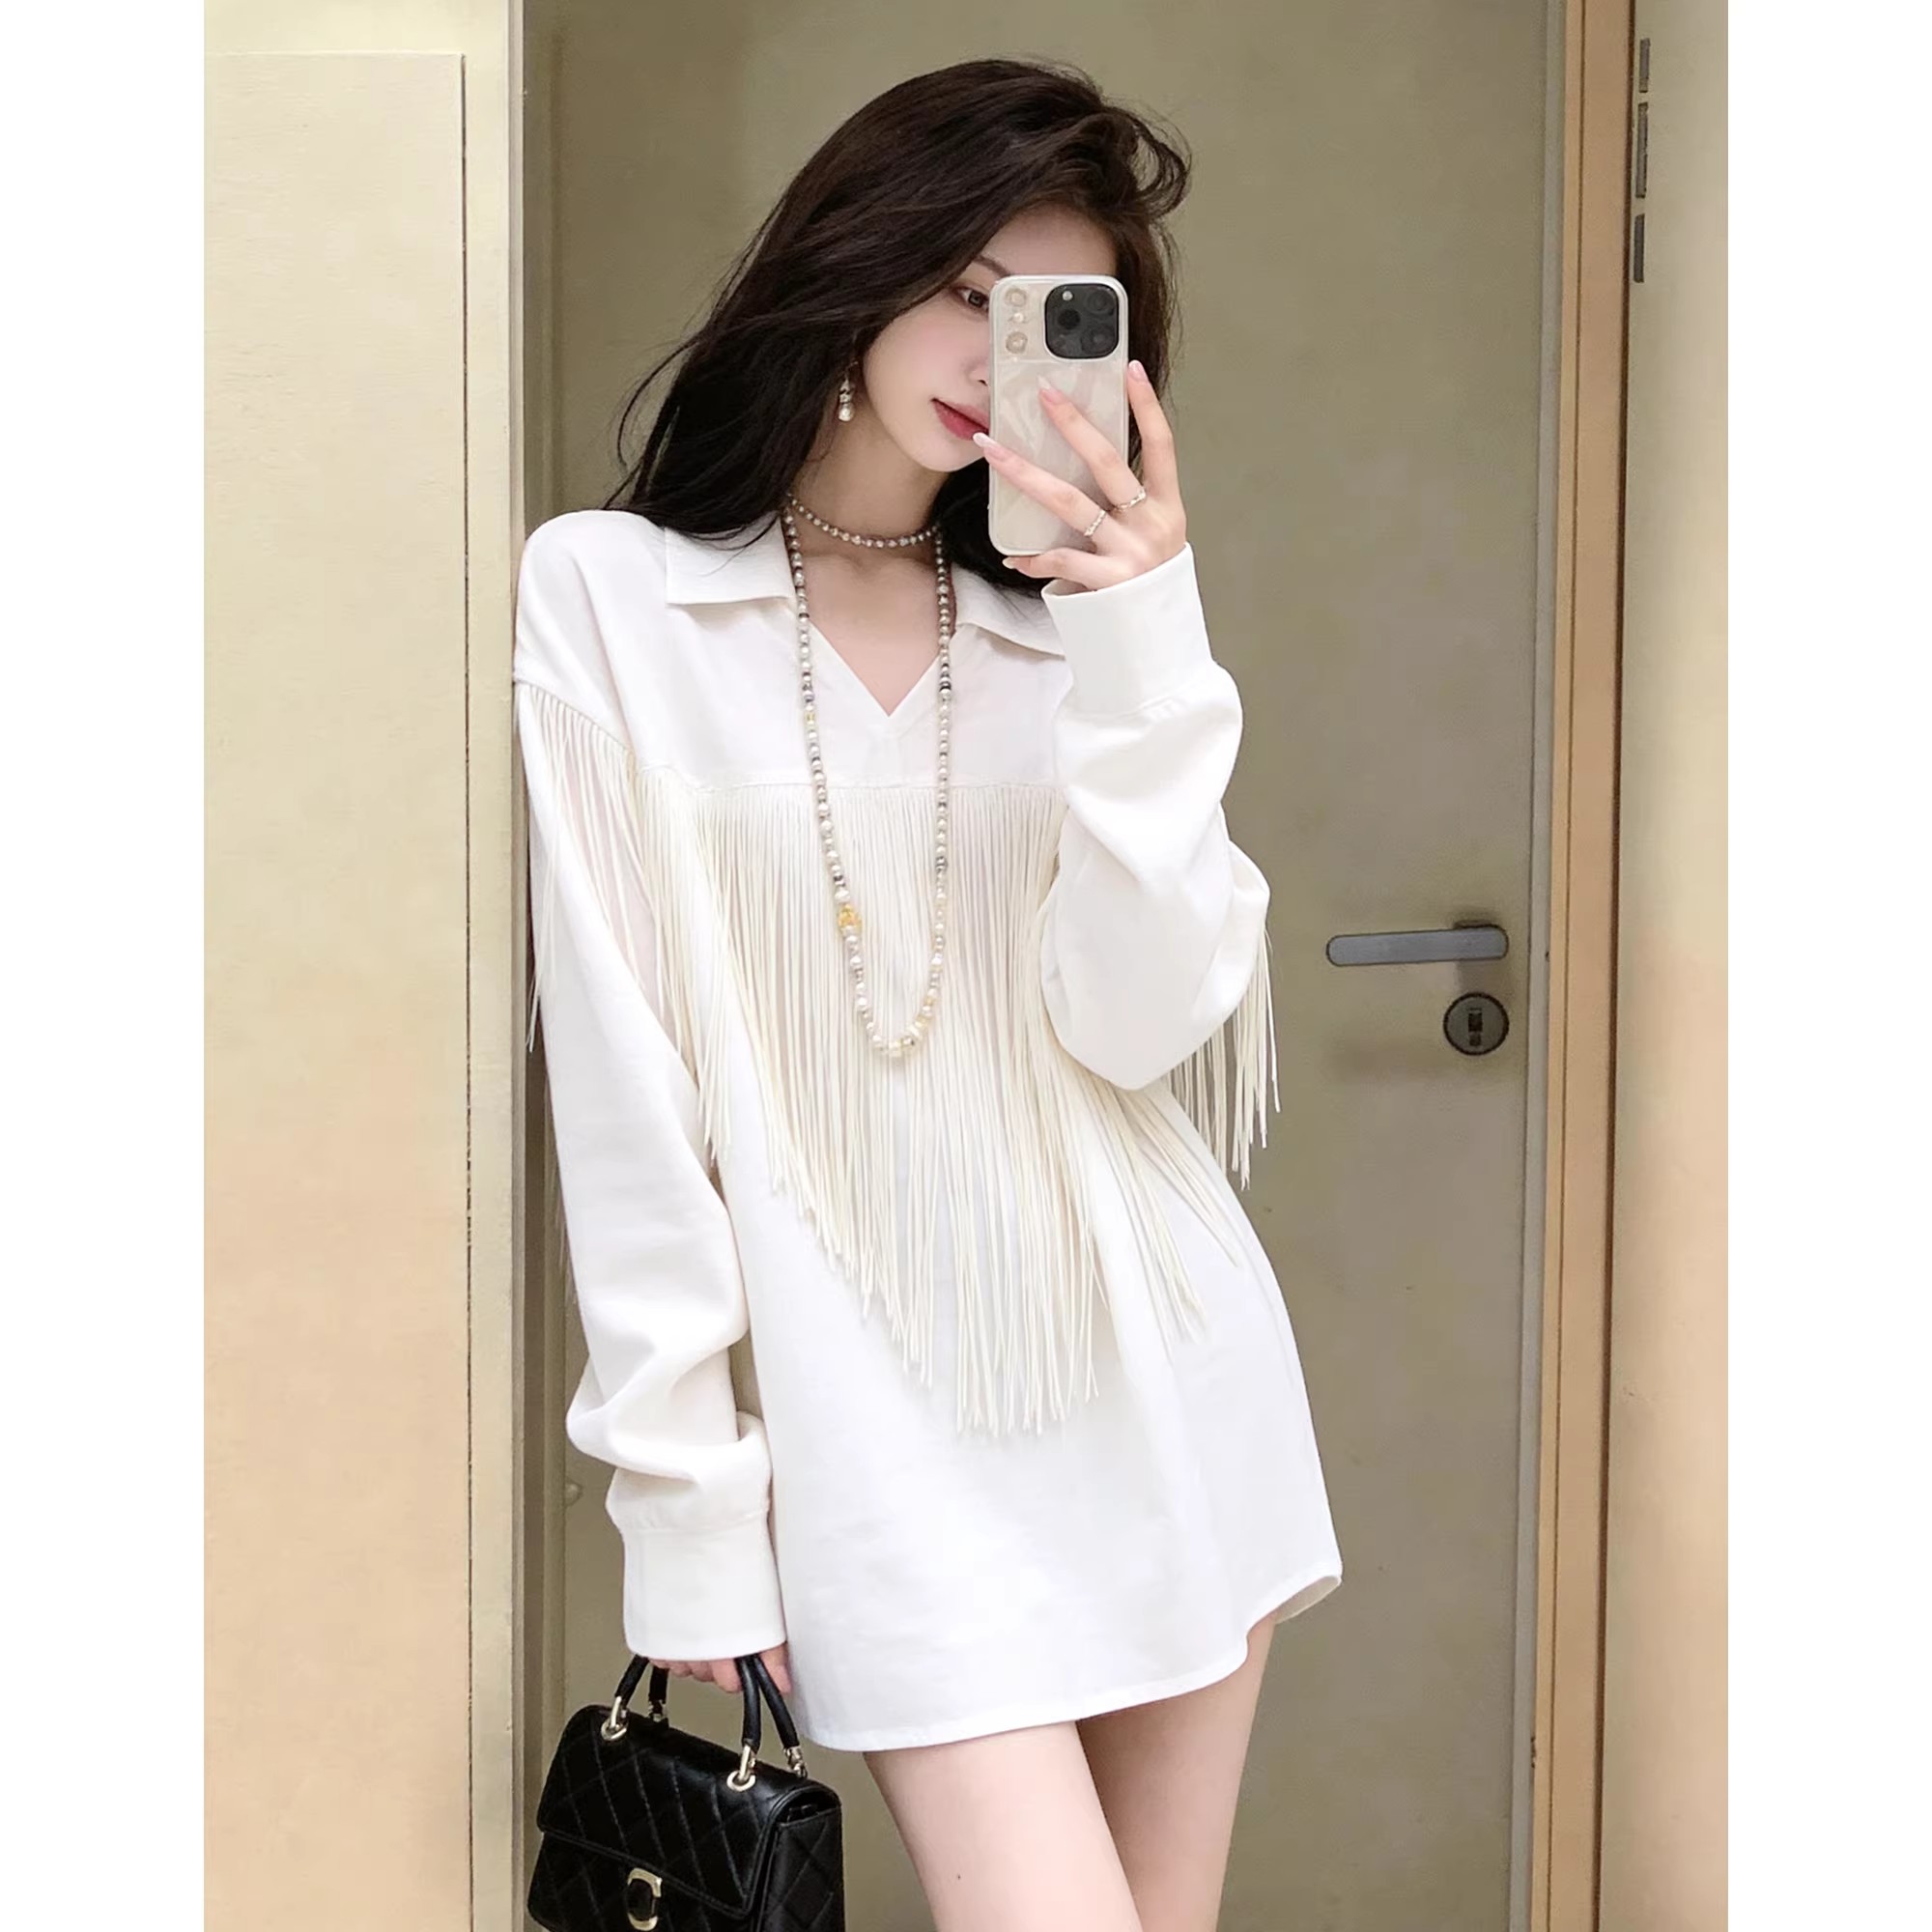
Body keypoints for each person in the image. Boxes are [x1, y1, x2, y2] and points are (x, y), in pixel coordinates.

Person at [514, 55, 1343, 1932]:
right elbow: (627, 1093)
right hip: (873, 1427)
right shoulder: (613, 600)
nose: (993, 349)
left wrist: (1146, 621)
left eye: (1054, 313)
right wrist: (687, 1509)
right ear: (856, 258)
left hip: (1160, 1381)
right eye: (965, 288)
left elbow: (1143, 1024)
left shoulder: (1067, 646)